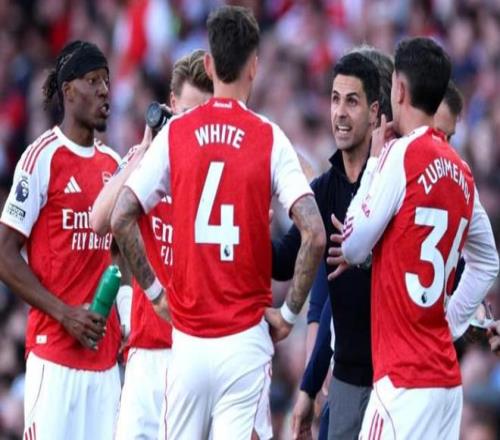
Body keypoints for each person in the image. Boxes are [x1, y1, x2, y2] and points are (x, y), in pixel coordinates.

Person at [110, 5, 325, 440]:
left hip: (187, 342)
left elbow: (120, 216)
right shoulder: (268, 136)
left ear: (209, 64)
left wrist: (154, 293)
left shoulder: (176, 133)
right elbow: (315, 235)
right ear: (255, 66)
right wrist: (288, 313)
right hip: (244, 341)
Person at [341, 37, 499, 438]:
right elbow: (487, 261)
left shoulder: (399, 155)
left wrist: (373, 163)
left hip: (403, 381)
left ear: (399, 89)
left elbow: (353, 245)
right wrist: (450, 321)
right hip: (445, 384)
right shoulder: (462, 172)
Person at [0, 40, 121, 440]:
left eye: (107, 81)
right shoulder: (41, 158)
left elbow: (121, 255)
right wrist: (65, 313)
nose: (105, 91)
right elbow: (4, 254)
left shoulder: (114, 165)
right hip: (53, 358)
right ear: (68, 90)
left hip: (105, 365)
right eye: (93, 81)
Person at [91, 49, 213, 440]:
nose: (193, 125)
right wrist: (145, 150)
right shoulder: (145, 164)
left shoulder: (219, 173)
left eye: (203, 114)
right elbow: (99, 221)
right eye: (187, 113)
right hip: (145, 353)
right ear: (171, 104)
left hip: (195, 355)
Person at [272, 51, 382, 440]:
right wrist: (245, 228)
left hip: (393, 380)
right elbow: (282, 262)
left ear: (374, 113)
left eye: (352, 101)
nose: (340, 113)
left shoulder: (391, 183)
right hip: (347, 380)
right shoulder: (323, 190)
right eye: (335, 100)